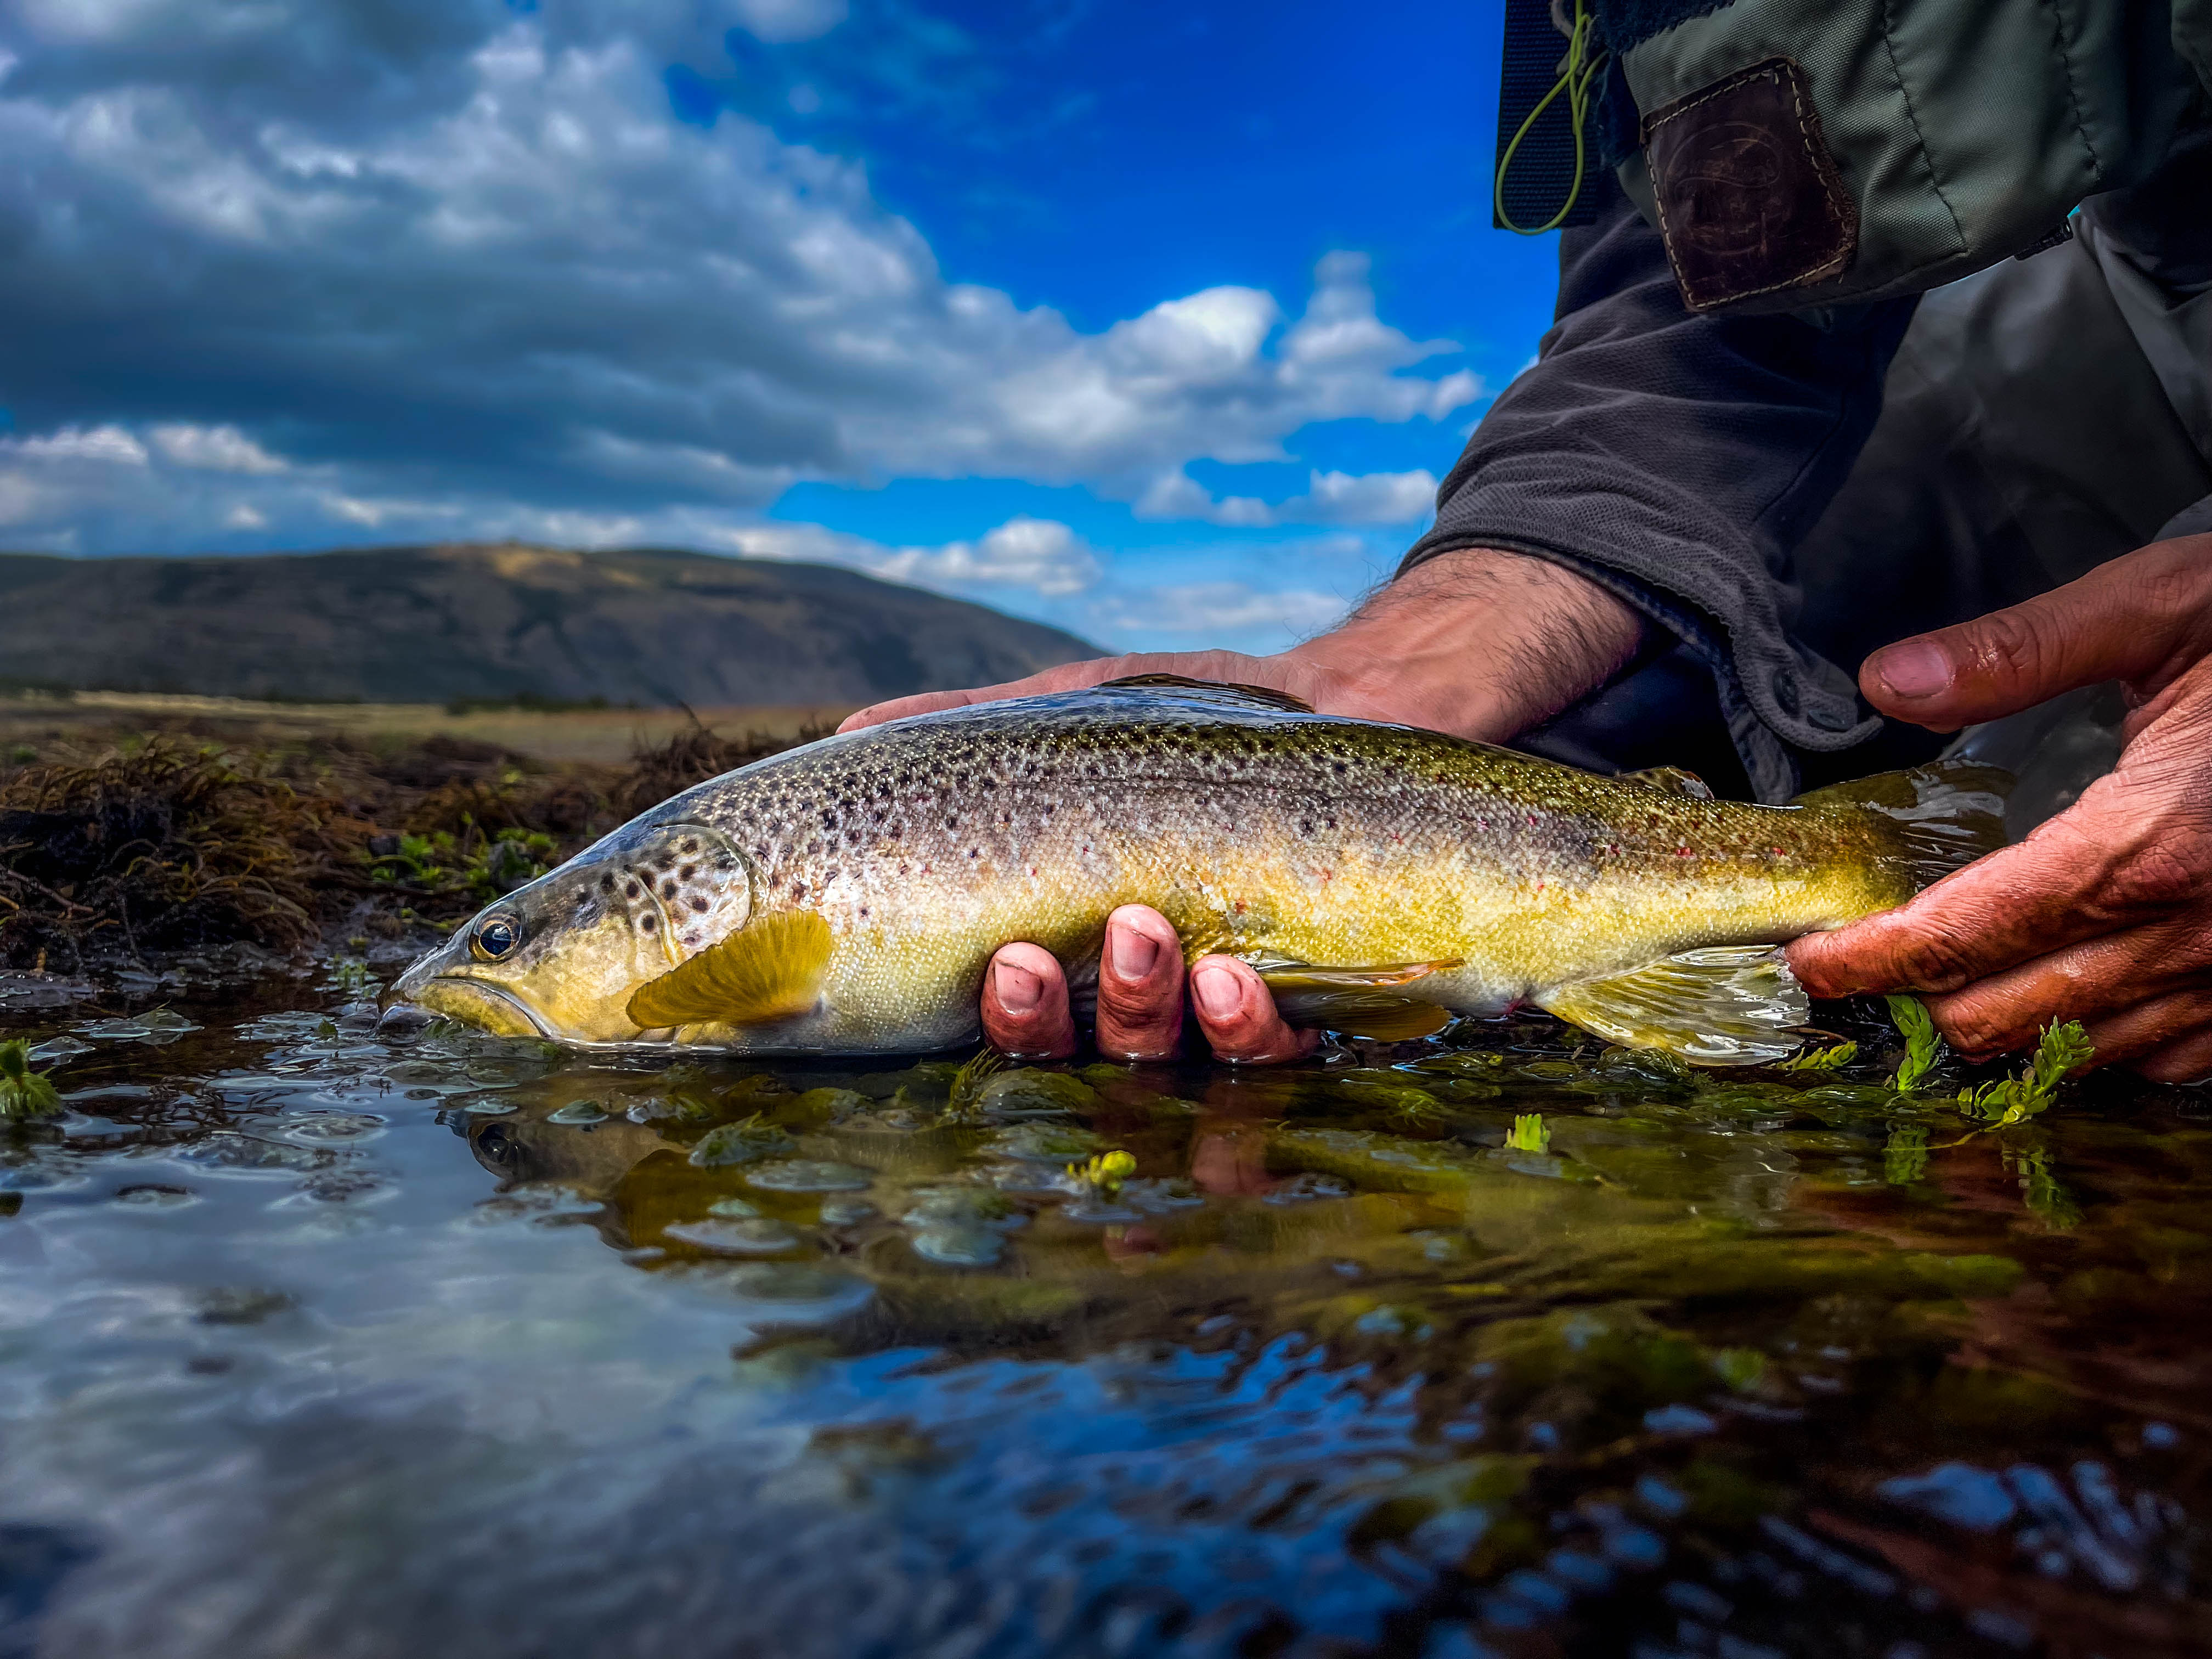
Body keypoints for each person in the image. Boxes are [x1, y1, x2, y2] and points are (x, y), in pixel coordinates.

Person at [842, 0, 2212, 1082]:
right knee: (1577, 726)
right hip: (2139, 275)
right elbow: (1710, 299)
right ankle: (1825, 877)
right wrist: (1458, 619)